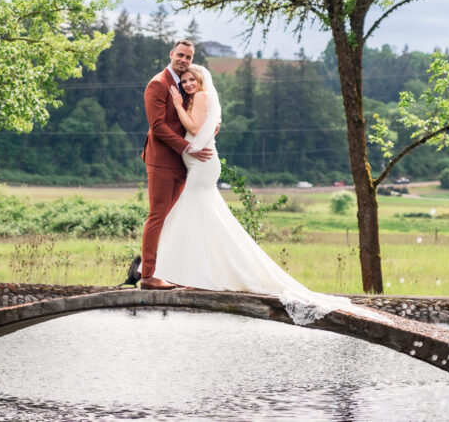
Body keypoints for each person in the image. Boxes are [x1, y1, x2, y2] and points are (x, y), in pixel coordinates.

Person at [153, 64, 361, 325]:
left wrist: (178, 104)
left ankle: (202, 273)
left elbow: (194, 129)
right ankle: (202, 273)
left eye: (191, 80)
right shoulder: (198, 98)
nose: (187, 85)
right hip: (198, 164)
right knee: (204, 218)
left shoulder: (201, 97)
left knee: (192, 215)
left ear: (201, 80)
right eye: (183, 82)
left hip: (202, 167)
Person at [139, 40, 214, 290]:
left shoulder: (187, 85)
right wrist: (187, 147)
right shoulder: (158, 84)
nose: (183, 60)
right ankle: (148, 275)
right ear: (171, 54)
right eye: (180, 55)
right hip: (162, 160)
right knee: (158, 215)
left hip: (185, 164)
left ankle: (172, 271)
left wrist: (210, 128)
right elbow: (158, 126)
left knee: (176, 218)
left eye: (188, 57)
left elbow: (194, 119)